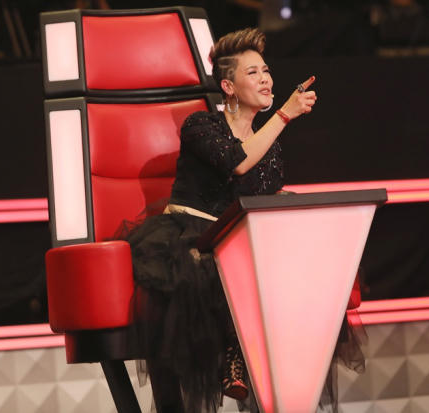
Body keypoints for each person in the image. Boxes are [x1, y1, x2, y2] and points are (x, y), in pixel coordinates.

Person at [115, 27, 317, 412]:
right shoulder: (201, 126)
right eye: (253, 73)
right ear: (228, 86)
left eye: (266, 70)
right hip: (186, 240)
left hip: (235, 242)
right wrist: (284, 115)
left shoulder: (270, 148)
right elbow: (237, 162)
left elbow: (262, 197)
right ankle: (230, 358)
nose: (266, 79)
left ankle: (258, 370)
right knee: (209, 269)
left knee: (285, 270)